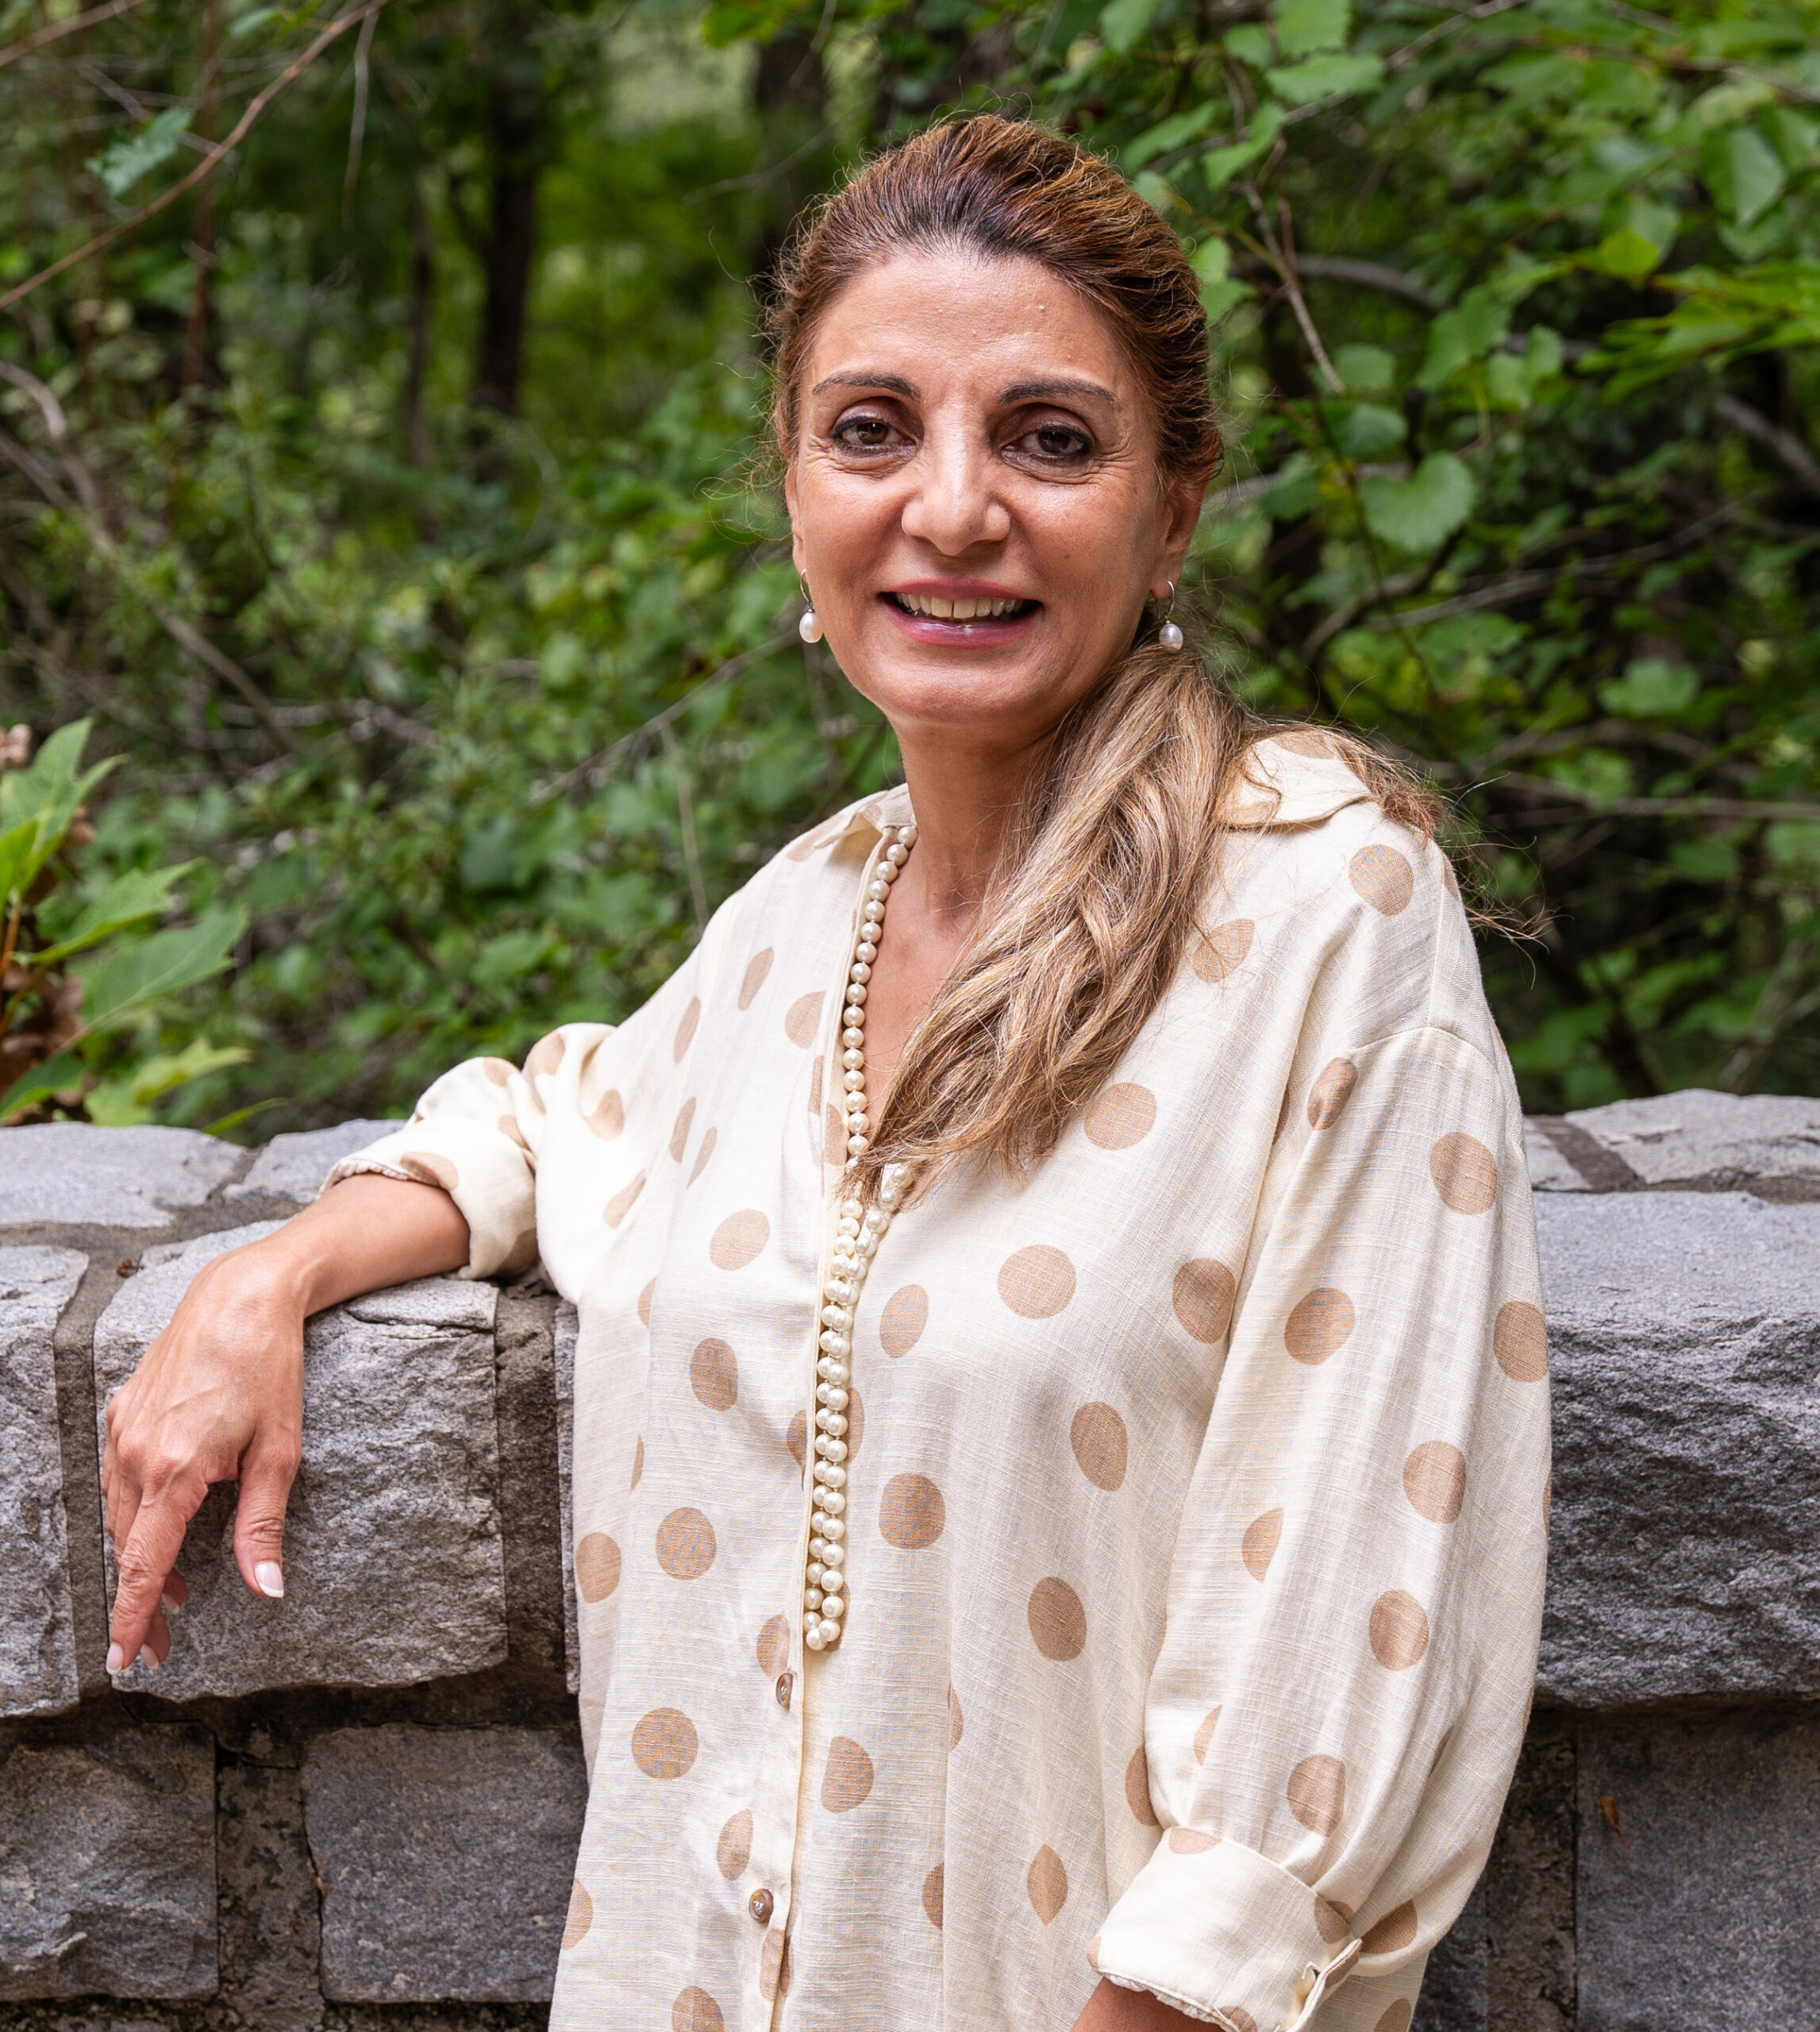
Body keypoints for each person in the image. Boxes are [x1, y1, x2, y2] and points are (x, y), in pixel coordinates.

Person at [102, 115, 1549, 2032]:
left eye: (1048, 436)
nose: (952, 509)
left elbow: (1346, 1614)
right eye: (873, 429)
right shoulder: (813, 910)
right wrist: (266, 1277)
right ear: (793, 489)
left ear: (1171, 505)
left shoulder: (1319, 902)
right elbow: (561, 1116)